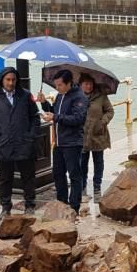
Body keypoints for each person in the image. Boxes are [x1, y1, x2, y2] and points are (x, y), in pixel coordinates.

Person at [0, 67, 39, 219]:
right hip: (3, 145)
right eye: (8, 79)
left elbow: (35, 117)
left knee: (28, 177)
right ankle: (5, 207)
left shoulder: (26, 95)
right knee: (5, 179)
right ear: (1, 80)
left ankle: (30, 205)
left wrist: (31, 136)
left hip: (24, 143)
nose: (11, 83)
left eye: (13, 79)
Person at [37, 69, 88, 211]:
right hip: (59, 142)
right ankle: (61, 202)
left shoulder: (79, 97)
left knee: (74, 174)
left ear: (69, 83)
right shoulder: (60, 95)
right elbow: (55, 111)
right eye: (56, 85)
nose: (57, 88)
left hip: (72, 142)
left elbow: (78, 119)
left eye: (59, 85)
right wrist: (44, 103)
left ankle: (74, 206)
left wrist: (55, 117)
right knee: (58, 173)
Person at [78, 74, 113, 202]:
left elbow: (110, 111)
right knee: (82, 162)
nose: (89, 86)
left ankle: (97, 188)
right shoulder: (76, 97)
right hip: (82, 135)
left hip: (98, 134)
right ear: (80, 84)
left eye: (90, 83)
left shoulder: (101, 96)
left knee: (98, 162)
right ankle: (82, 188)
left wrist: (102, 122)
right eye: (86, 83)